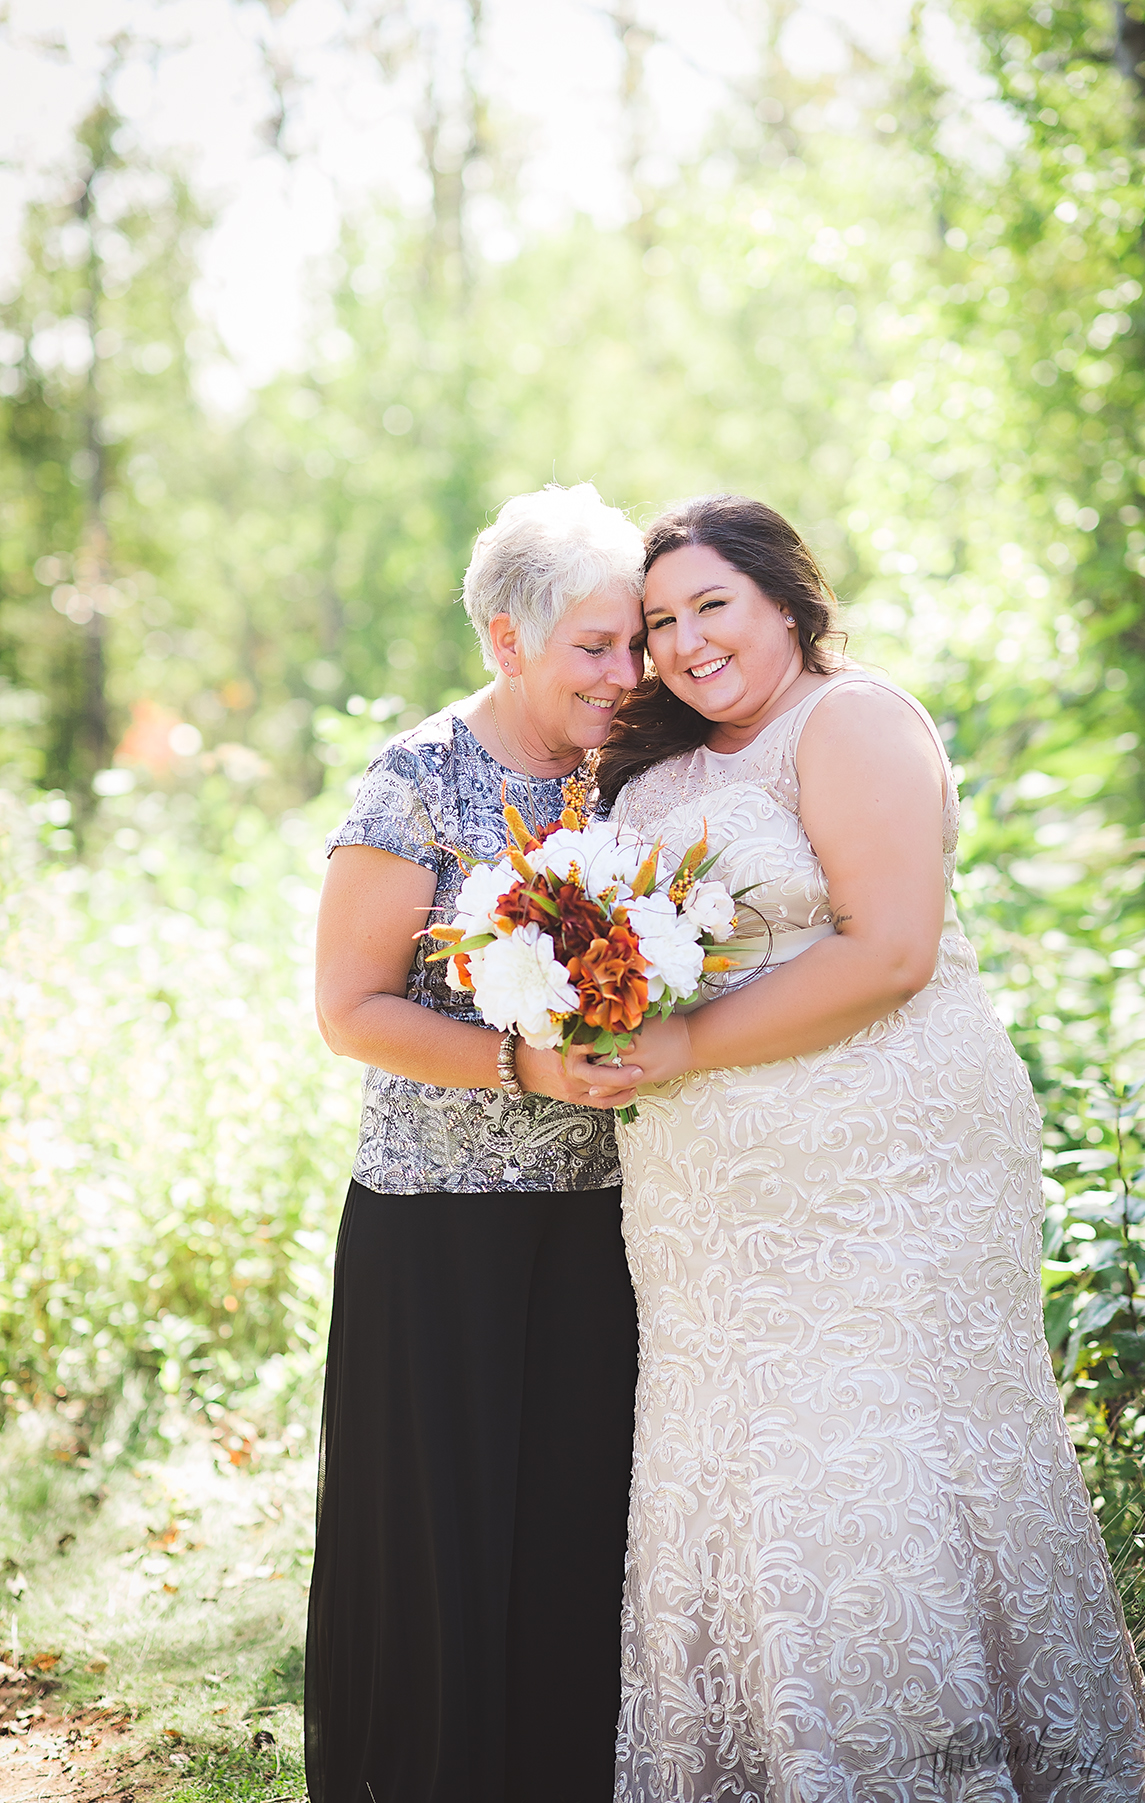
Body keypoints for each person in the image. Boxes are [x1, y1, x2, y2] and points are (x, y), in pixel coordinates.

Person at [585, 495, 1145, 1802]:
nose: (686, 642)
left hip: (888, 1172)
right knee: (739, 1459)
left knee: (878, 1456)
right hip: (708, 1198)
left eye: (711, 606)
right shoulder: (650, 777)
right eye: (661, 622)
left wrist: (681, 1050)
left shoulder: (851, 720)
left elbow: (893, 950)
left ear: (787, 602)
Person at [304, 482, 644, 1803]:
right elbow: (350, 1011)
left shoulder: (634, 771)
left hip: (602, 1217)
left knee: (575, 1520)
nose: (625, 675)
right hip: (439, 1218)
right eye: (594, 650)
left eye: (634, 644)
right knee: (445, 1532)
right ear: (507, 641)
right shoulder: (417, 776)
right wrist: (525, 1064)